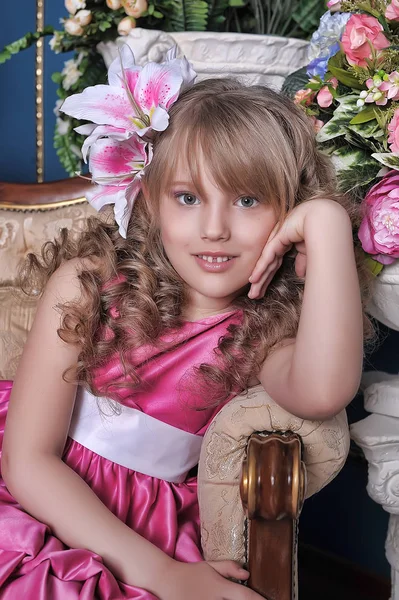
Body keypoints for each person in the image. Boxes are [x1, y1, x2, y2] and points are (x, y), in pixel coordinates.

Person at [0, 46, 371, 599]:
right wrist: (162, 575)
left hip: (150, 532)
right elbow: (27, 462)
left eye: (247, 199)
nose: (215, 228)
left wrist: (326, 222)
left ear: (288, 208)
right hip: (33, 500)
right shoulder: (89, 287)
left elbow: (322, 392)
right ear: (149, 200)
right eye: (188, 197)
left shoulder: (264, 333)